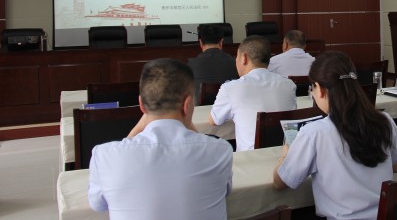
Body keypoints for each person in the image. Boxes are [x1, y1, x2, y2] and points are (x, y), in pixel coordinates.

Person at [88, 58, 233, 220]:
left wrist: (138, 127)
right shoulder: (220, 151)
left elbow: (98, 205)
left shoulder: (105, 156)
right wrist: (186, 119)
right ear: (187, 105)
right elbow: (224, 191)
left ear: (141, 105)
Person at [273, 51, 397, 220]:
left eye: (312, 88)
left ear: (320, 89)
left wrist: (285, 156)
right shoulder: (384, 121)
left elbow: (280, 182)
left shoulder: (314, 132)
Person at [209, 35, 296, 151]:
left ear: (244, 58)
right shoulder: (289, 85)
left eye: (237, 56)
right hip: (284, 156)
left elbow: (214, 120)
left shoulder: (231, 88)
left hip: (250, 158)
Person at [188, 24, 238, 104]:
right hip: (230, 109)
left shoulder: (191, 65)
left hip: (201, 110)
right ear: (221, 42)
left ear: (200, 43)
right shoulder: (235, 62)